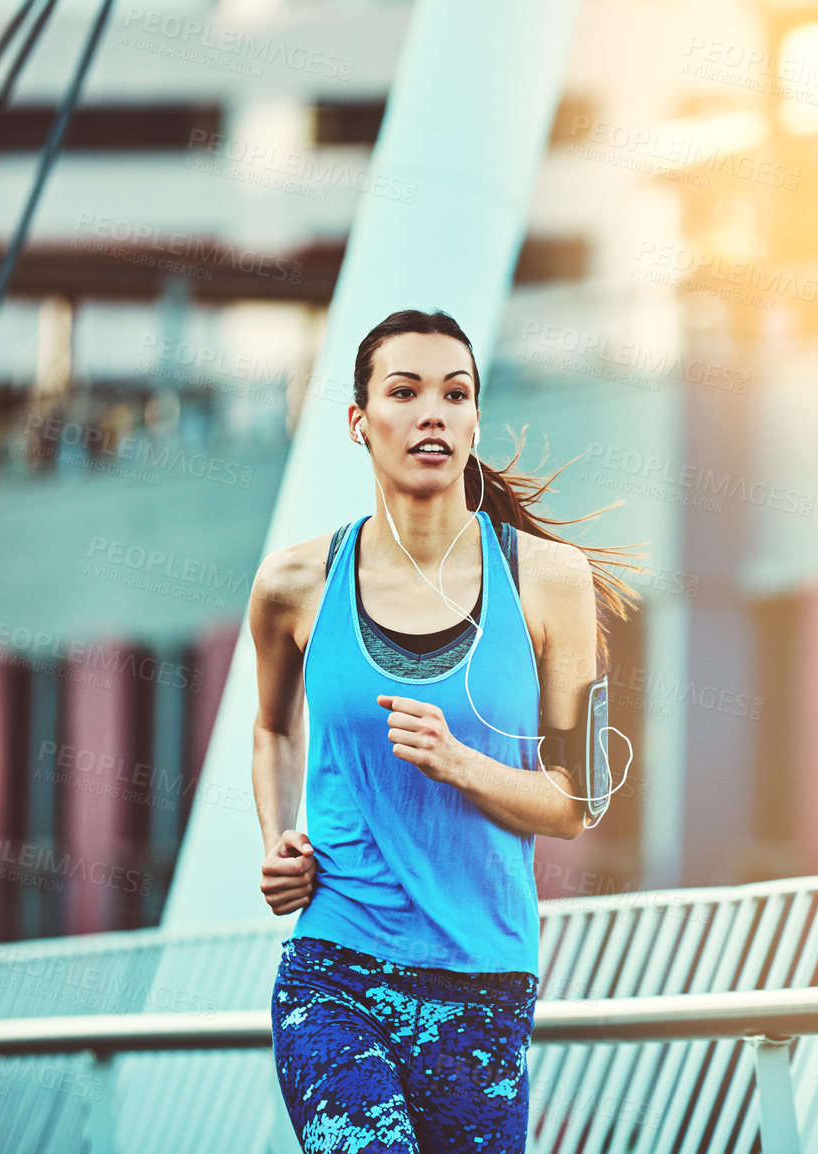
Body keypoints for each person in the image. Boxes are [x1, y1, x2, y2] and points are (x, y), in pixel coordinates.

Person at [252, 308, 644, 1151]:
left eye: (455, 393)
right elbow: (273, 731)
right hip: (337, 970)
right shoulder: (294, 584)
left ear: (473, 421)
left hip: (484, 985)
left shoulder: (548, 581)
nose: (434, 412)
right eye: (405, 391)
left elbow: (577, 801)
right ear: (359, 422)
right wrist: (279, 838)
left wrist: (461, 765)